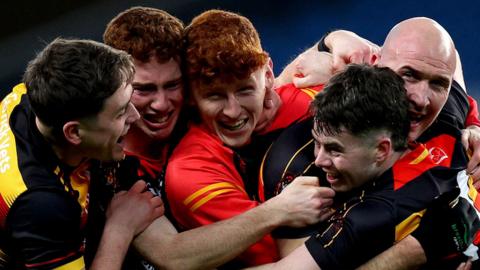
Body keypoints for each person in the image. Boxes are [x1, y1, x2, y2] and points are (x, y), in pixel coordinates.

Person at [82, 7, 334, 270]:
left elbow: (243, 78)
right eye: (144, 89)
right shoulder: (111, 168)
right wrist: (279, 210)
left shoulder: (195, 114)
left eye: (172, 85)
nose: (161, 104)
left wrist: (327, 44)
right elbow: (171, 255)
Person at [263, 17, 480, 268]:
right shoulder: (299, 163)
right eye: (408, 75)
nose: (422, 99)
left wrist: (474, 123)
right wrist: (415, 251)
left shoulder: (446, 115)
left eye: (438, 83)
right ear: (378, 64)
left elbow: (448, 62)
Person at [164, 9, 335, 267]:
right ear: (190, 96)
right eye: (214, 96)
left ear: (267, 75)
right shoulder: (190, 170)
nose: (233, 112)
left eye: (245, 90)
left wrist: (334, 41)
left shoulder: (314, 98)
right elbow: (276, 257)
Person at [0, 38, 164, 269]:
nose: (135, 116)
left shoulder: (34, 95)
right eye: (120, 113)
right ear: (74, 132)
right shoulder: (40, 203)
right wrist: (119, 229)